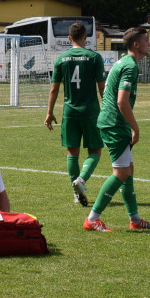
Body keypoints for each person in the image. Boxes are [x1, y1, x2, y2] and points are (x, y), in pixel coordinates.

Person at [85, 26, 150, 232]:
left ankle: (135, 219)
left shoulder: (125, 62)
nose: (148, 43)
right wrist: (135, 128)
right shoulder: (130, 66)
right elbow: (121, 102)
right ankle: (92, 218)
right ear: (136, 44)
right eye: (145, 40)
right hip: (115, 124)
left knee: (128, 171)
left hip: (114, 122)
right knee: (121, 172)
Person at [44, 22, 106, 207]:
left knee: (72, 152)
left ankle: (75, 194)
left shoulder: (61, 59)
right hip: (91, 111)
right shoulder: (94, 57)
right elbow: (102, 87)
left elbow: (54, 89)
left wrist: (49, 112)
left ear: (69, 38)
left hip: (70, 111)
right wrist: (109, 110)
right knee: (95, 150)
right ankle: (82, 180)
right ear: (86, 37)